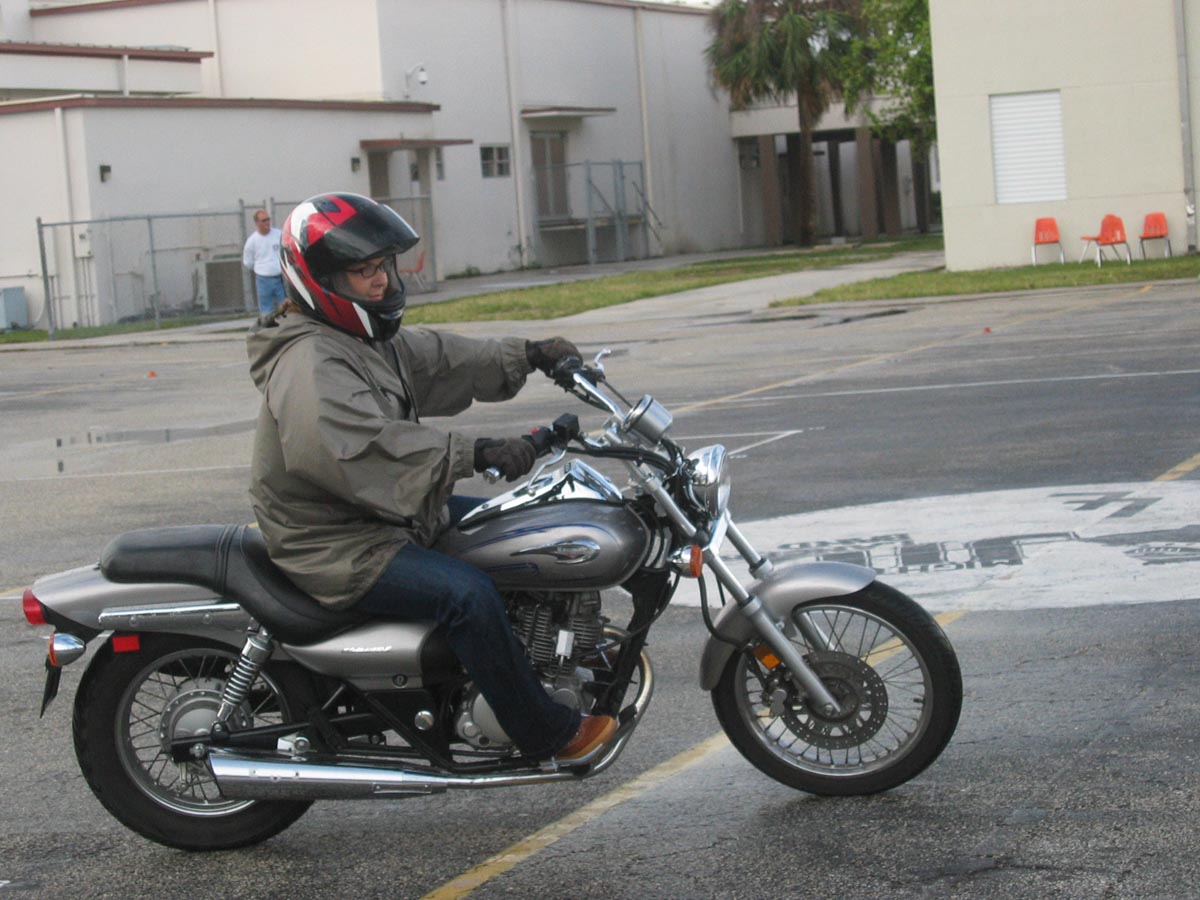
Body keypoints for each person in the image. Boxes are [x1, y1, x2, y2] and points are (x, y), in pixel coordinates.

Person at [246, 192, 616, 764]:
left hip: (387, 518)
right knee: (468, 597)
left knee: (526, 526)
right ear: (322, 281)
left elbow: (442, 358)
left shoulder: (361, 341)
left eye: (383, 266)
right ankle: (543, 731)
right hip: (338, 542)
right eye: (363, 270)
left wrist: (528, 354)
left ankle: (552, 659)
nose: (380, 280)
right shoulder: (310, 362)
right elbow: (361, 451)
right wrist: (477, 451)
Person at [243, 208, 286, 316]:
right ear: (257, 223)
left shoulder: (278, 234)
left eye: (268, 219)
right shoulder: (252, 241)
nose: (267, 222)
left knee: (285, 306)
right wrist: (261, 269)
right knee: (266, 310)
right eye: (263, 220)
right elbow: (248, 262)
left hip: (280, 277)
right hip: (263, 279)